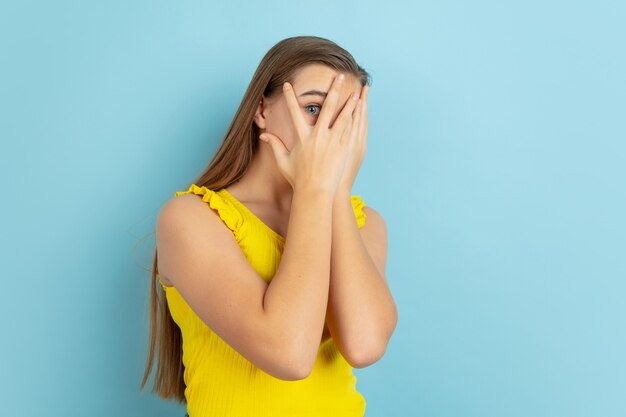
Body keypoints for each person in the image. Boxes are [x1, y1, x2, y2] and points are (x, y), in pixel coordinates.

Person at [140, 35, 398, 417]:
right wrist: (313, 189)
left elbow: (363, 346)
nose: (328, 130)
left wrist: (335, 191)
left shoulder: (365, 223)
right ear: (262, 109)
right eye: (314, 107)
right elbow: (289, 355)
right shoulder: (190, 218)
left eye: (346, 116)